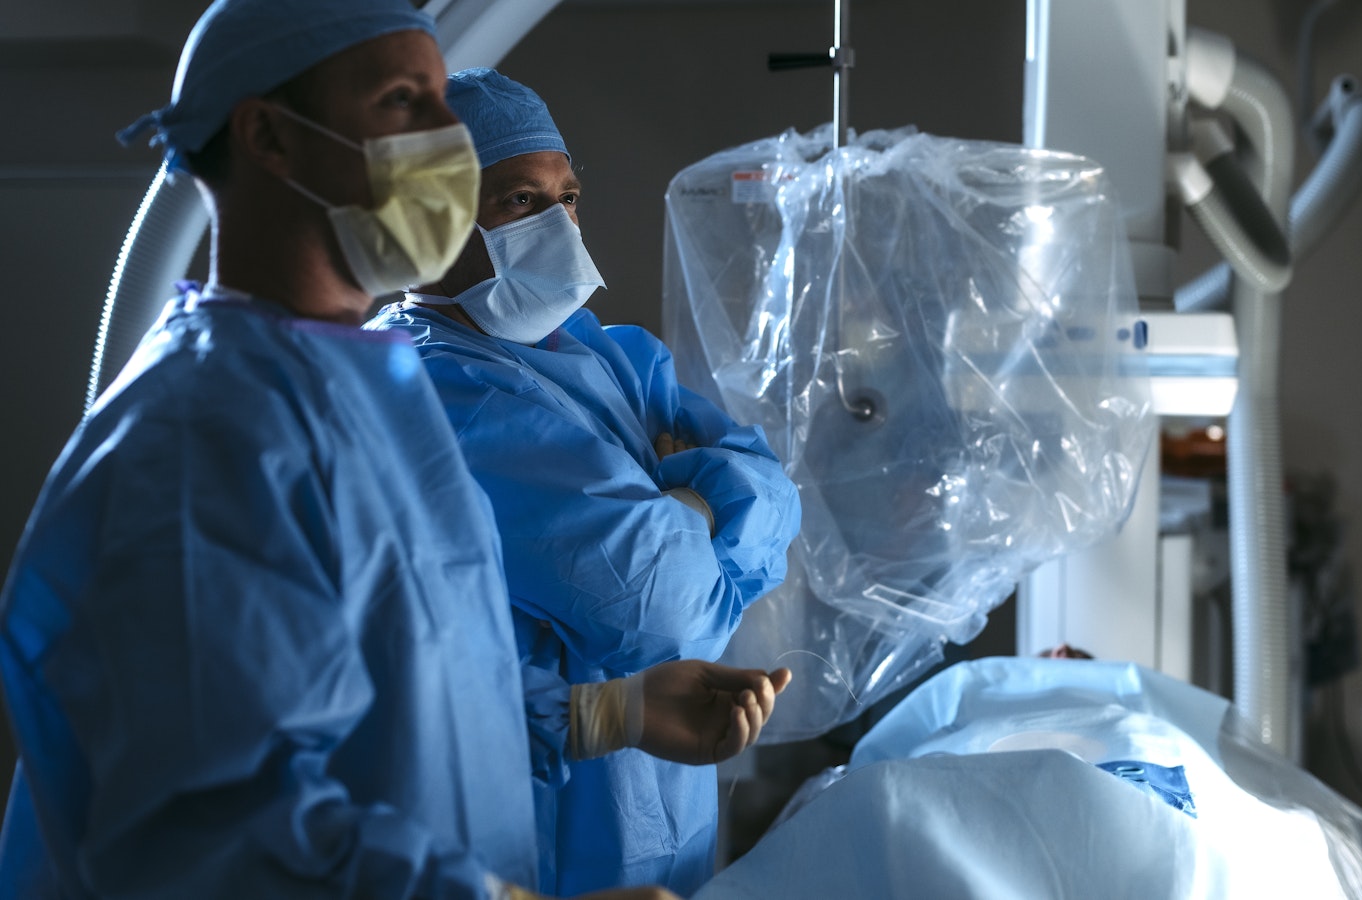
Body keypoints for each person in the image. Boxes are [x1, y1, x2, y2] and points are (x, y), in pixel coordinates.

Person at [0, 2, 787, 898]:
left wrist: (607, 712)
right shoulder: (202, 442)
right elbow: (208, 832)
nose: (449, 141)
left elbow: (414, 688)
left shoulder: (364, 389)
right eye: (406, 102)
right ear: (270, 135)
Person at [366, 68, 802, 896]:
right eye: (521, 204)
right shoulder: (434, 389)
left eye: (567, 198)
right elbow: (662, 611)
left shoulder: (606, 351)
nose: (560, 226)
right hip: (543, 820)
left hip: (664, 790)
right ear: (429, 220)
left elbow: (777, 496)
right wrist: (700, 494)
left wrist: (678, 505)